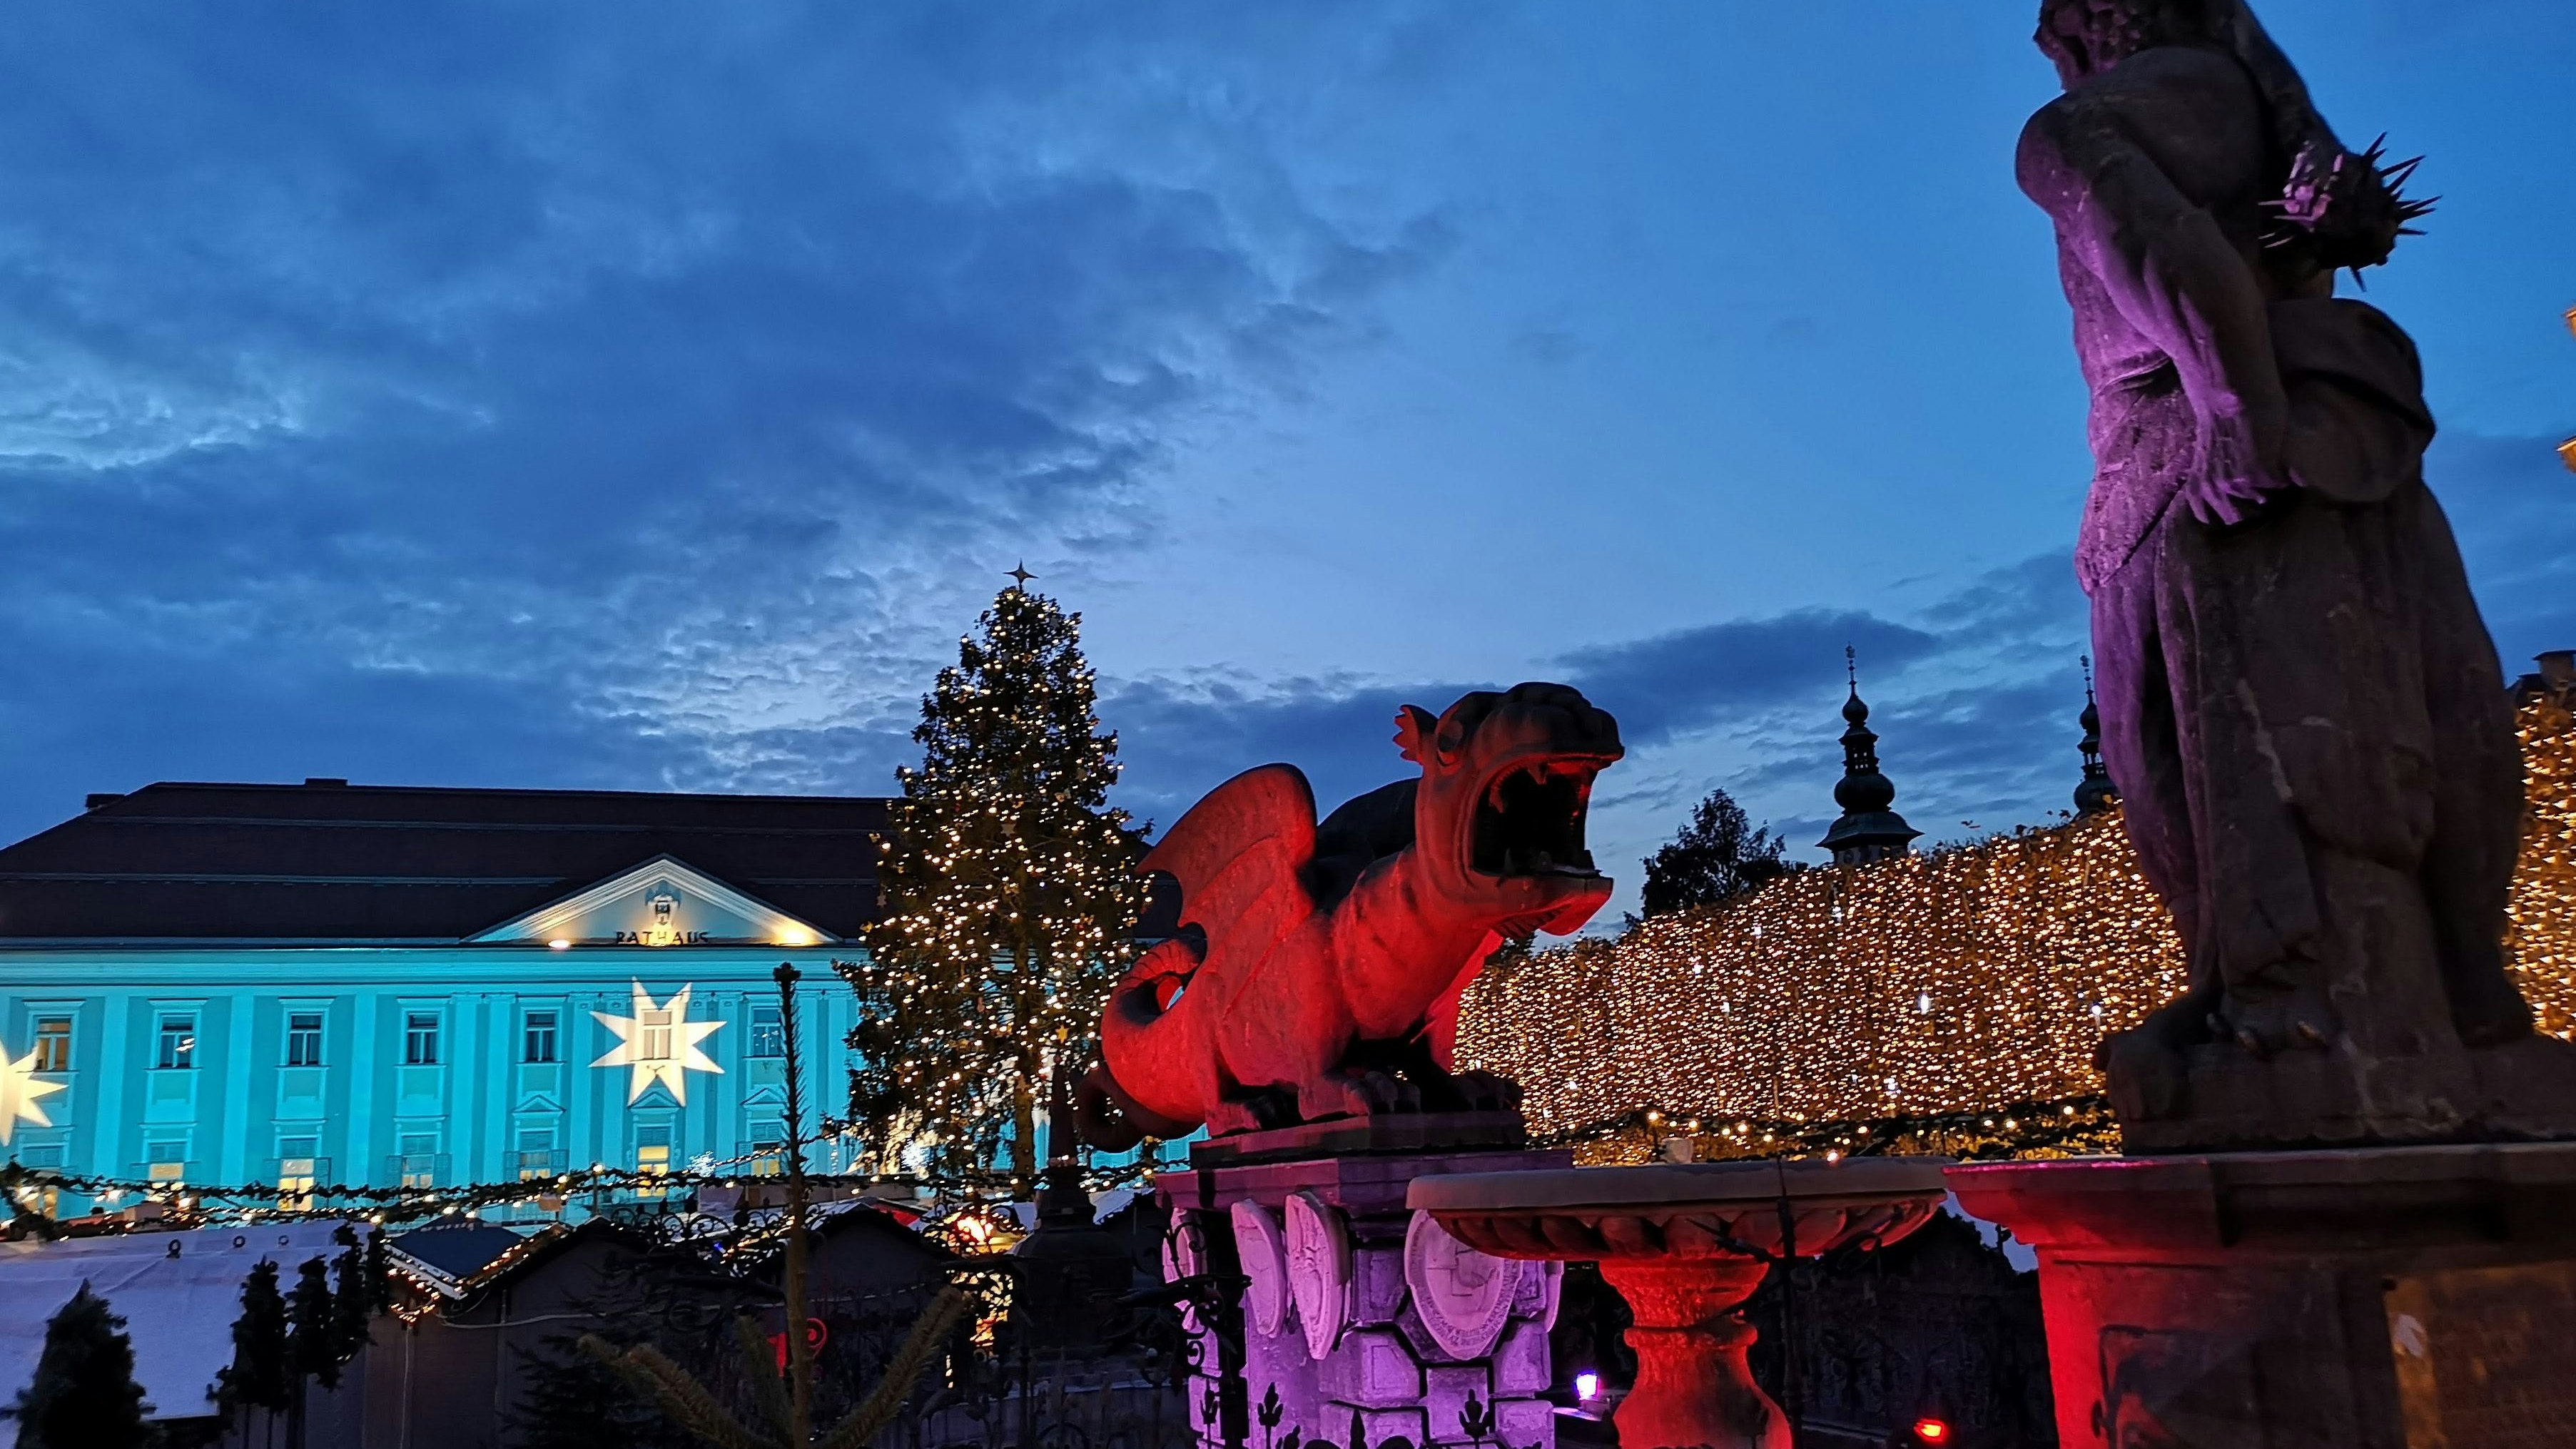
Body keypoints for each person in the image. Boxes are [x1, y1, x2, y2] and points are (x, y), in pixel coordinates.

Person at [2017, 0, 2529, 1123]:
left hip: (2199, 460)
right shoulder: (2262, 108)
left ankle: (2267, 997)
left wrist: (2232, 410)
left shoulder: (2079, 125)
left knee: (2181, 751)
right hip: (2349, 430)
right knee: (2423, 701)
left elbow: (2160, 241)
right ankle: (2465, 985)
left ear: (2090, 26)